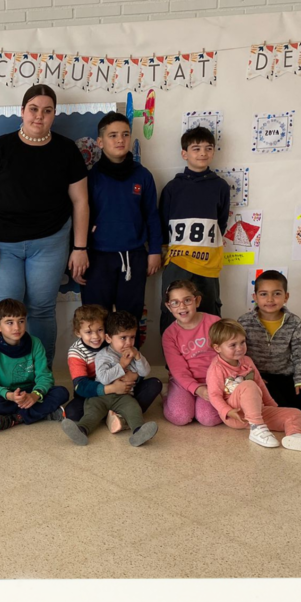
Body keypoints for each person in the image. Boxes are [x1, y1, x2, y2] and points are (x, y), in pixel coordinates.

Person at [0, 83, 90, 369]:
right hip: (2, 245)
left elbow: (81, 201)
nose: (40, 116)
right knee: (1, 313)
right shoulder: (0, 147)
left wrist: (80, 247)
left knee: (41, 311)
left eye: (47, 111)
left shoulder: (66, 150)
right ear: (22, 111)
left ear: (54, 114)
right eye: (34, 109)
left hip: (50, 243)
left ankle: (41, 376)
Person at [81, 112, 163, 346]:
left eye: (125, 135)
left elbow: (152, 215)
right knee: (95, 320)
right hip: (97, 258)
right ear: (100, 142)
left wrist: (154, 251)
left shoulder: (143, 175)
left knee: (129, 319)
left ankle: (131, 365)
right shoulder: (90, 178)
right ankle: (96, 367)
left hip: (134, 257)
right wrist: (78, 253)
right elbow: (80, 218)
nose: (120, 140)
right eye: (113, 135)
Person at [205, 320, 301, 453]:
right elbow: (214, 395)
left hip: (257, 411)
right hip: (236, 415)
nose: (240, 348)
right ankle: (257, 428)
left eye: (242, 342)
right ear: (217, 348)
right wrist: (227, 411)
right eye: (233, 345)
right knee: (248, 385)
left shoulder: (247, 361)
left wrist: (272, 406)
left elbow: (260, 384)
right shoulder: (216, 368)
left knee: (295, 413)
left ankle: (295, 436)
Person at [158, 127, 231, 334]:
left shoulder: (220, 187)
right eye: (196, 148)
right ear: (185, 153)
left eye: (208, 148)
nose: (203, 153)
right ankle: (171, 355)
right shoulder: (172, 188)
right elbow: (163, 224)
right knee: (172, 310)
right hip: (178, 261)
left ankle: (211, 353)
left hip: (208, 262)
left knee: (209, 310)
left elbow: (221, 223)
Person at [60, 311, 160, 447]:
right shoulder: (103, 354)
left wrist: (137, 357)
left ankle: (138, 431)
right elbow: (103, 378)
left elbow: (145, 371)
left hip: (124, 396)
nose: (128, 343)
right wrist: (122, 365)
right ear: (109, 338)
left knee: (133, 408)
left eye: (132, 337)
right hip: (100, 396)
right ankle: (82, 430)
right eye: (123, 338)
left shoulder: (133, 352)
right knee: (92, 412)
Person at [237, 270, 301, 414]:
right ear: (255, 297)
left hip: (284, 375)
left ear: (286, 297)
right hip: (258, 376)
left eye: (276, 293)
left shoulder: (294, 321)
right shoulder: (244, 321)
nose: (270, 299)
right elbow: (237, 354)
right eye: (264, 294)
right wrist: (251, 376)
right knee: (276, 403)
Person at [0, 298, 69, 431]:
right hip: (7, 394)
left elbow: (45, 377)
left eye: (21, 321)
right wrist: (9, 395)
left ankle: (15, 418)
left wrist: (35, 395)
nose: (17, 327)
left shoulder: (35, 343)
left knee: (62, 392)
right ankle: (42, 413)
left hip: (31, 391)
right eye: (9, 322)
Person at [160, 280, 222, 427]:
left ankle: (196, 402)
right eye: (175, 303)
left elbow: (226, 354)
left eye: (187, 300)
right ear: (169, 307)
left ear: (197, 301)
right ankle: (168, 397)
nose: (182, 306)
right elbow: (178, 370)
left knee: (209, 418)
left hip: (213, 379)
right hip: (182, 381)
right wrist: (197, 389)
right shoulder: (169, 334)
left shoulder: (215, 323)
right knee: (180, 417)